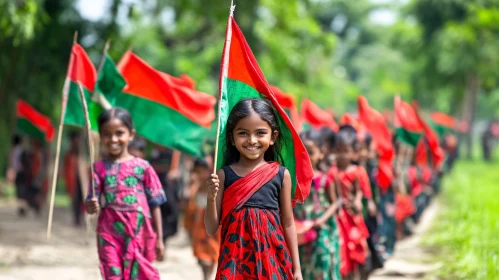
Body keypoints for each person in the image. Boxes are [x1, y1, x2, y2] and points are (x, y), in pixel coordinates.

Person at [204, 98, 303, 279]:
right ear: (232, 138)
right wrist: (211, 198)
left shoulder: (281, 174)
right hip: (234, 259)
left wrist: (297, 268)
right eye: (243, 133)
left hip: (272, 257)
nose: (252, 140)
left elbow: (288, 223)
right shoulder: (223, 175)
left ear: (272, 137)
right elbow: (211, 228)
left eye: (260, 133)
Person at [85, 108, 167, 279]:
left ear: (131, 134)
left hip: (138, 233)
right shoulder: (98, 169)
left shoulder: (143, 167)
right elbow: (91, 205)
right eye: (106, 134)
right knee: (113, 274)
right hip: (108, 232)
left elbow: (155, 203)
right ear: (100, 135)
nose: (113, 139)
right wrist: (91, 205)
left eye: (119, 133)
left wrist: (159, 238)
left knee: (137, 275)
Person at [294, 130, 341, 280]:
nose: (306, 157)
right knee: (303, 265)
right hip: (300, 231)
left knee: (322, 261)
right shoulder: (293, 180)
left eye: (311, 152)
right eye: (303, 152)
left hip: (322, 229)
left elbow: (335, 202)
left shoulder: (325, 179)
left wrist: (322, 220)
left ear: (321, 153)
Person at [329, 125, 369, 279]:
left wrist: (358, 201)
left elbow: (359, 191)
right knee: (342, 251)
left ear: (352, 152)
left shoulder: (356, 171)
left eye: (345, 151)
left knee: (355, 249)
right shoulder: (332, 172)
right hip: (339, 217)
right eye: (338, 151)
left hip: (352, 215)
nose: (342, 156)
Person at [189, 158, 220, 280]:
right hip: (198, 229)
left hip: (211, 229)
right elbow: (190, 209)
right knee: (201, 257)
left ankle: (208, 276)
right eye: (197, 171)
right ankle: (205, 276)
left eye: (202, 171)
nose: (200, 174)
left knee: (212, 254)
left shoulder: (213, 186)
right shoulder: (194, 187)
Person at [63, 131, 84, 226]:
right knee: (75, 200)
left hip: (82, 179)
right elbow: (66, 169)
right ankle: (76, 218)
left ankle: (82, 217)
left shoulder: (82, 154)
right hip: (73, 180)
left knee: (83, 199)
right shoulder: (69, 154)